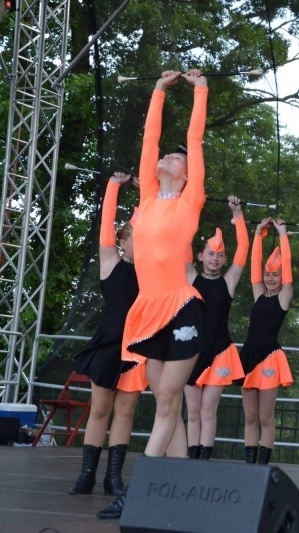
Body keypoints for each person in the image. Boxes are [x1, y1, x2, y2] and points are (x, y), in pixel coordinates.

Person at [97, 69, 208, 520]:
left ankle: (138, 490)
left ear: (186, 177)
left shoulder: (189, 202)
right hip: (149, 310)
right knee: (169, 404)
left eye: (176, 160)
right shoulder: (144, 201)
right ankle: (183, 489)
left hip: (182, 308)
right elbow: (148, 140)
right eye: (167, 156)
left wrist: (200, 90)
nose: (168, 158)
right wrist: (158, 92)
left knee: (166, 400)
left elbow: (195, 141)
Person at [70, 173, 143, 497]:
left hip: (137, 348)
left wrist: (148, 195)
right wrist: (114, 187)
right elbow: (106, 223)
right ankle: (87, 475)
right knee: (100, 408)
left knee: (125, 411)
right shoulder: (110, 261)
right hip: (109, 344)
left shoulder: (152, 272)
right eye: (137, 238)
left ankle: (114, 477)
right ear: (122, 241)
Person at [184, 197, 248, 460]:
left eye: (220, 255)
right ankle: (191, 457)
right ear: (200, 256)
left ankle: (204, 458)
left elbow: (244, 247)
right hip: (191, 351)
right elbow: (182, 240)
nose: (215, 258)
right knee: (193, 411)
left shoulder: (229, 281)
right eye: (211, 253)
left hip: (220, 350)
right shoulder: (190, 277)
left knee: (209, 409)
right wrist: (188, 204)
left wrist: (237, 213)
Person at [240, 218, 294, 465]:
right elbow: (253, 267)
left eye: (276, 274)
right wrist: (259, 235)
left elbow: (289, 270)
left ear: (283, 276)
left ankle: (262, 463)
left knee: (265, 416)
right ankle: (250, 462)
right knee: (250, 416)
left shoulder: (283, 297)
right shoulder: (259, 294)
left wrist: (283, 235)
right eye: (268, 274)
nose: (271, 278)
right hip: (249, 356)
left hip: (270, 358)